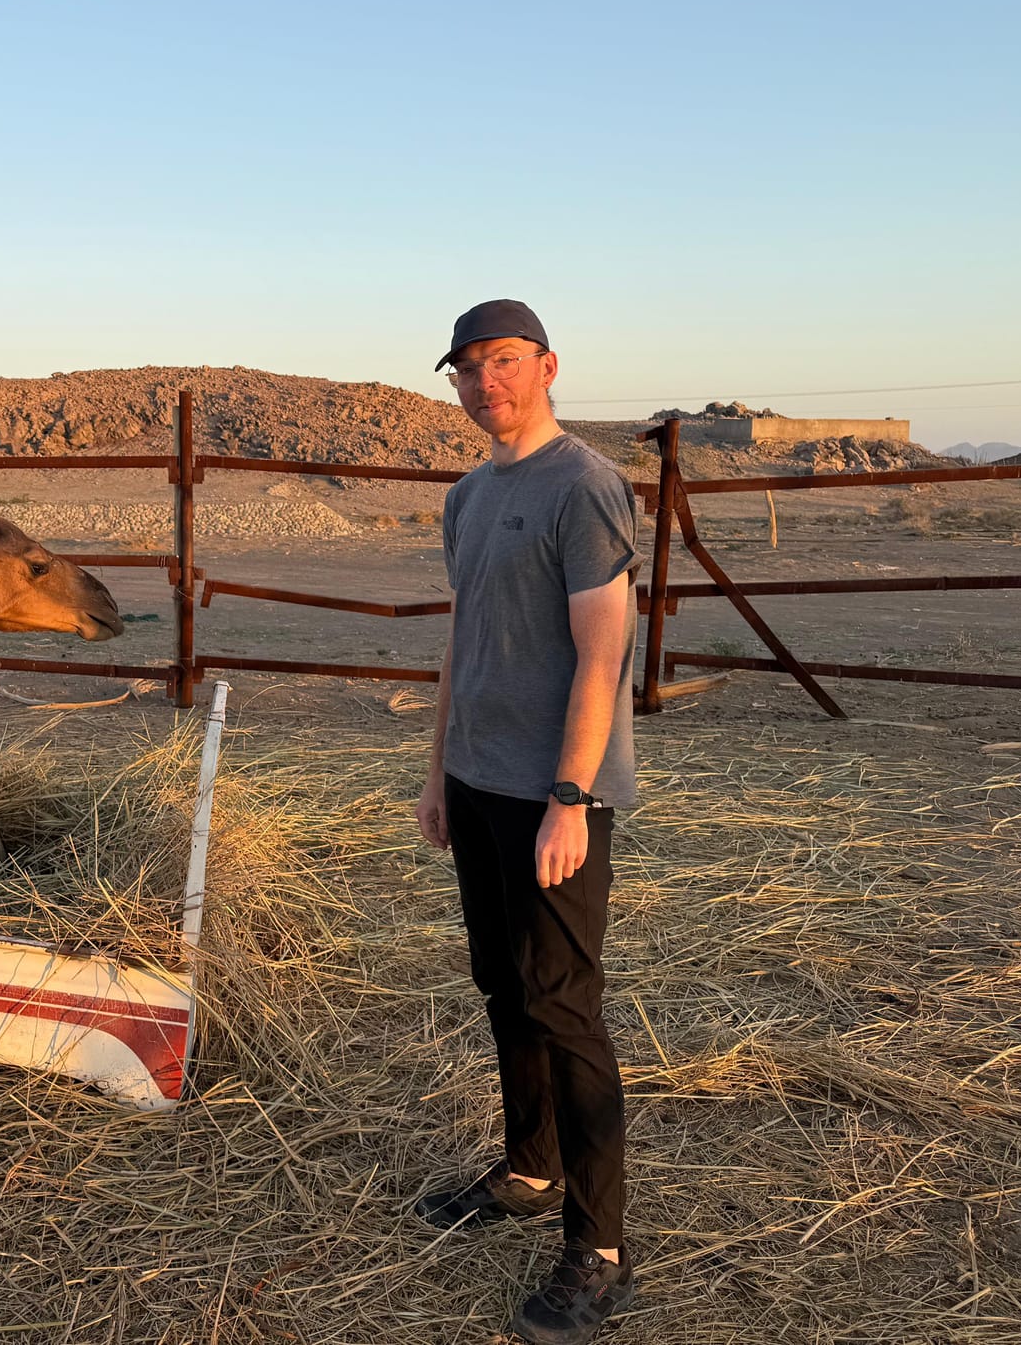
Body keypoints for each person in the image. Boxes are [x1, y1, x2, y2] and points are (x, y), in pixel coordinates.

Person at [413, 300, 640, 1344]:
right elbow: (462, 641)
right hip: (476, 781)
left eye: (500, 361)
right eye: (465, 368)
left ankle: (596, 1246)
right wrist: (436, 775)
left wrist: (568, 797)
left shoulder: (582, 487)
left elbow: (601, 654)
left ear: (545, 366)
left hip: (552, 793)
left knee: (562, 1003)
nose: (482, 382)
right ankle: (527, 1168)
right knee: (502, 985)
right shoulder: (467, 496)